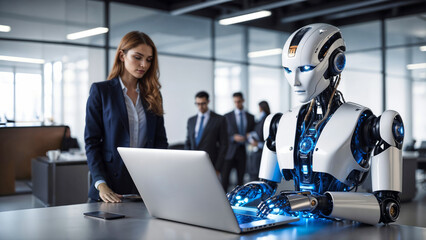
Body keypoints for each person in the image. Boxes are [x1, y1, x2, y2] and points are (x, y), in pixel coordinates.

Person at [227, 23, 404, 225]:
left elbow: (388, 207)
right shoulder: (279, 122)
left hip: (343, 228)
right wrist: (254, 189)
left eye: (305, 69)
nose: (294, 81)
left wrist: (314, 202)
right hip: (297, 226)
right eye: (287, 70)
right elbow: (268, 185)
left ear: (336, 63)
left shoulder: (369, 124)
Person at [85, 31, 168, 203]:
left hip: (145, 185)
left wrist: (161, 178)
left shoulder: (153, 95)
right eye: (138, 57)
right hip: (109, 186)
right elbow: (92, 142)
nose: (143, 64)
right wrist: (101, 184)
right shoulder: (101, 91)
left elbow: (161, 142)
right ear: (122, 55)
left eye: (149, 59)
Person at [184, 91, 228, 176]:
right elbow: (188, 142)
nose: (200, 106)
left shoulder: (219, 119)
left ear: (208, 102)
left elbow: (224, 145)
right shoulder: (191, 120)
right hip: (192, 163)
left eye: (203, 103)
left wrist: (218, 168)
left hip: (211, 164)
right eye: (197, 104)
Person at [222, 92, 255, 191]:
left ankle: (239, 200)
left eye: (239, 101)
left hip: (243, 150)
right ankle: (223, 199)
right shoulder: (227, 116)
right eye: (235, 102)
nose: (237, 104)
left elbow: (254, 132)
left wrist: (249, 136)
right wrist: (233, 137)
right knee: (225, 179)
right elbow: (222, 135)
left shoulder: (250, 117)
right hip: (230, 151)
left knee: (240, 179)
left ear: (243, 101)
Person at [247, 101, 271, 181]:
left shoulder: (265, 120)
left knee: (256, 174)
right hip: (257, 149)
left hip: (261, 150)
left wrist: (257, 143)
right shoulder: (261, 119)